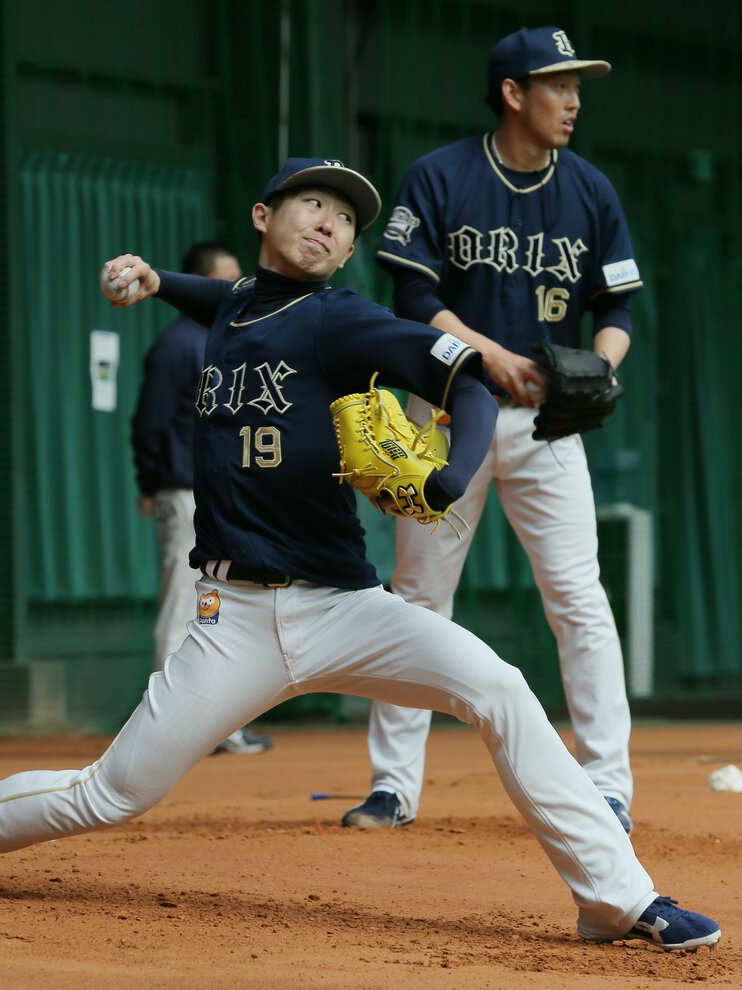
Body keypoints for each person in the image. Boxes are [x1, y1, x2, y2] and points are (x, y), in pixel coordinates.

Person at [0, 158, 720, 951]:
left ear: (346, 255)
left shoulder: (342, 318)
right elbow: (227, 297)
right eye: (312, 203)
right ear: (262, 216)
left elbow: (470, 382)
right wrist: (156, 278)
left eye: (345, 221)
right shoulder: (236, 307)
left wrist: (450, 474)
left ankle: (617, 900)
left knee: (501, 690)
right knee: (112, 794)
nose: (329, 223)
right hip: (232, 619)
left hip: (345, 609)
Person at [343, 26, 640, 834]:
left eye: (578, 86)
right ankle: (393, 785)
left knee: (578, 598)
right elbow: (411, 300)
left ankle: (607, 785)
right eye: (558, 85)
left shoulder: (590, 190)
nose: (574, 100)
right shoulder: (440, 177)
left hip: (548, 424)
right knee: (418, 598)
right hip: (443, 412)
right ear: (514, 93)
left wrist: (603, 363)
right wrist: (493, 355)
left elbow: (615, 307)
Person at [131, 241, 273, 756]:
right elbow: (149, 421)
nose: (238, 288)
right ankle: (166, 728)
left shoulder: (230, 342)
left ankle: (217, 726)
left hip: (222, 494)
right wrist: (150, 483)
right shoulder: (179, 343)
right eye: (226, 278)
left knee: (218, 608)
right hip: (183, 489)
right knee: (181, 604)